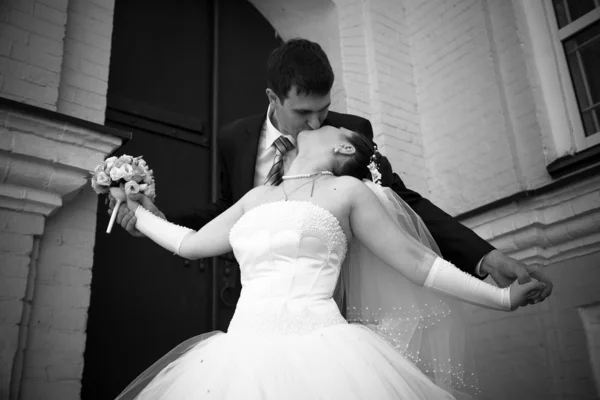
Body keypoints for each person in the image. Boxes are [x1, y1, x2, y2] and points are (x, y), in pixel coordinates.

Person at [114, 125, 546, 399]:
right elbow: (190, 244)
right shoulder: (255, 197)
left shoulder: (347, 193)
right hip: (237, 357)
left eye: (331, 125)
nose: (316, 123)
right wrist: (141, 211)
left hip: (324, 356)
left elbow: (417, 261)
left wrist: (502, 298)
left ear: (342, 146)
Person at [109, 38, 552, 300]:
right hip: (261, 305)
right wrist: (160, 221)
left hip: (343, 298)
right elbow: (228, 211)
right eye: (304, 112)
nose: (318, 122)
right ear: (272, 98)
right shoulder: (233, 139)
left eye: (325, 109)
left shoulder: (350, 134)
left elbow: (403, 200)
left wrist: (484, 255)